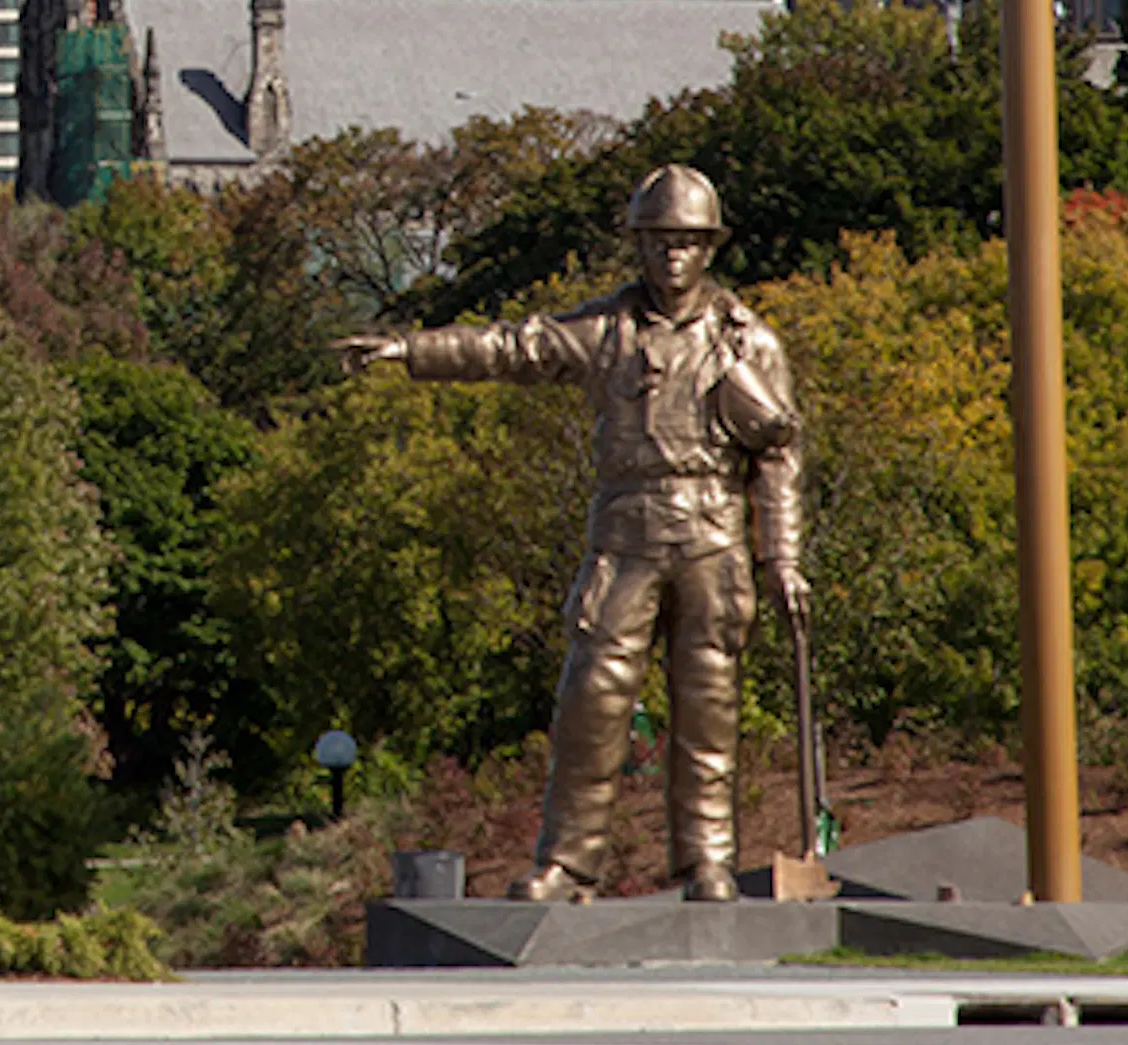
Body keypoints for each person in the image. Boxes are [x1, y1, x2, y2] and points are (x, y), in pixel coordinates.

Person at [342, 164, 806, 903]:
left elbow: (779, 457)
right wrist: (410, 352)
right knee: (591, 700)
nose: (671, 257)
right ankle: (569, 862)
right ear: (639, 247)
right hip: (625, 534)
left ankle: (707, 861)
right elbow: (508, 348)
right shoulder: (607, 331)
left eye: (686, 242)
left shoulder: (748, 344)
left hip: (714, 537)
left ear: (709, 249)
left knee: (709, 706)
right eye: (657, 242)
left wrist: (781, 557)